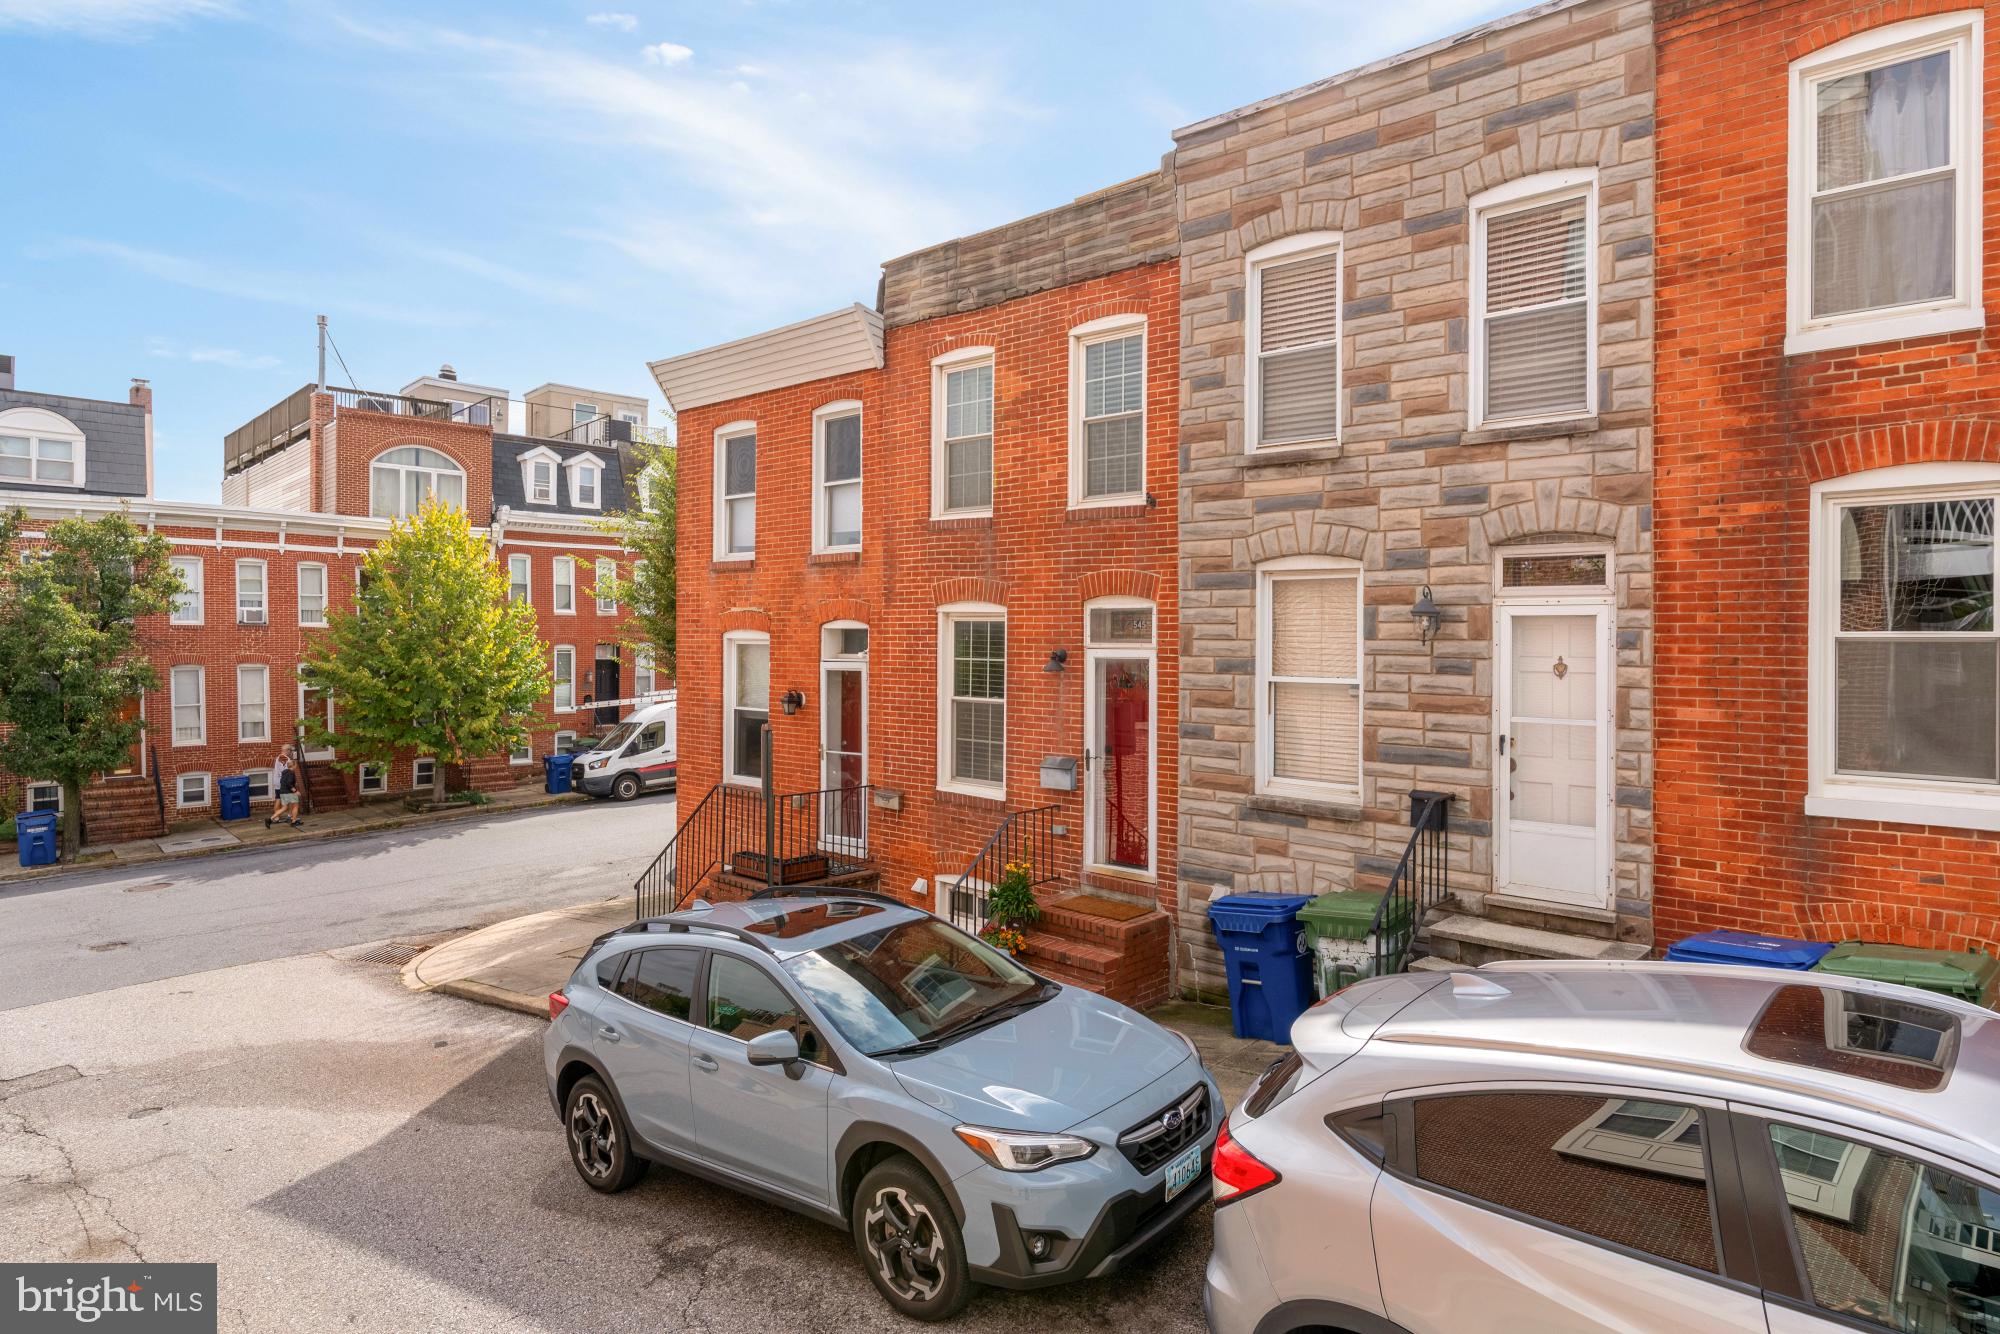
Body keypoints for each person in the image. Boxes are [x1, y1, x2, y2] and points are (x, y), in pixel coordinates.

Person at [266, 755, 304, 829]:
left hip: (282, 792)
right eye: (296, 764)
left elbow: (282, 781)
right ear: (293, 765)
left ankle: (270, 819)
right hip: (289, 792)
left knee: (284, 808)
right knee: (295, 806)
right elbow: (289, 783)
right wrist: (295, 791)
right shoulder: (291, 773)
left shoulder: (284, 772)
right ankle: (294, 821)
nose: (296, 766)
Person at [265, 752, 287, 826]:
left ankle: (277, 816)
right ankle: (276, 817)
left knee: (278, 798)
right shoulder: (280, 759)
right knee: (278, 799)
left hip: (278, 783)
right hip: (280, 783)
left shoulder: (280, 761)